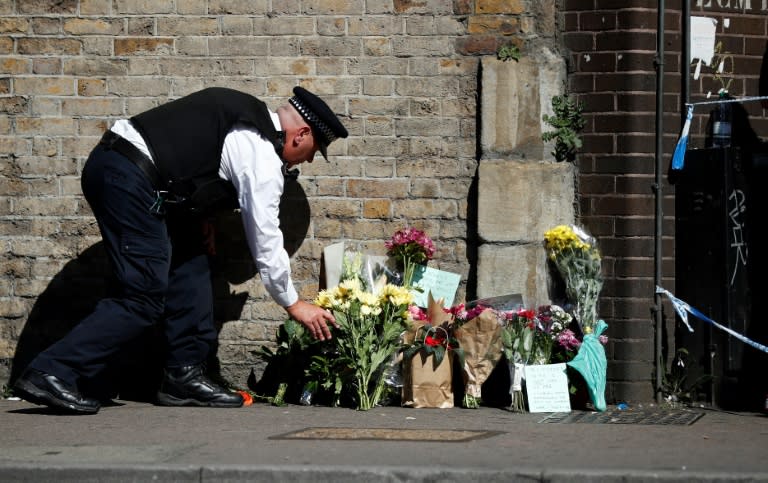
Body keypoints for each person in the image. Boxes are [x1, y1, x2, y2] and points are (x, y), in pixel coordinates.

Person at [13, 86, 348, 414]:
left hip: (128, 171)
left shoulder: (245, 117)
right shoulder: (261, 152)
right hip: (128, 176)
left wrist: (199, 213)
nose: (309, 159)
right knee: (142, 297)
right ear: (300, 135)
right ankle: (53, 371)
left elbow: (190, 161)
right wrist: (293, 303)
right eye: (314, 150)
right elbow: (265, 235)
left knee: (192, 257)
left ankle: (184, 374)